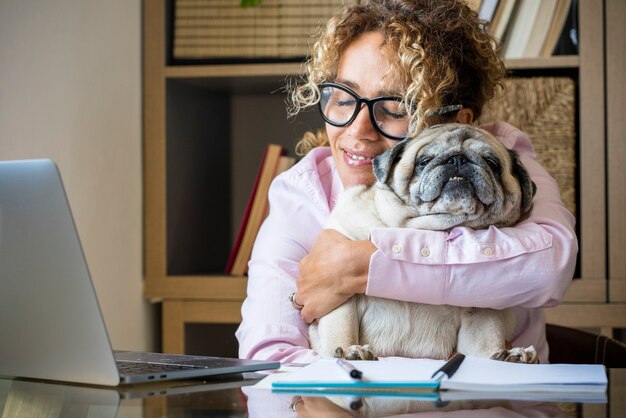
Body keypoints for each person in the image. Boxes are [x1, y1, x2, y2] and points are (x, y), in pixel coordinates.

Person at [235, 0, 577, 365]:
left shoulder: (499, 164)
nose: (357, 129)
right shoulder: (302, 194)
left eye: (396, 109)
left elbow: (548, 266)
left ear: (461, 122)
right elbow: (268, 353)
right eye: (342, 98)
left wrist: (363, 265)